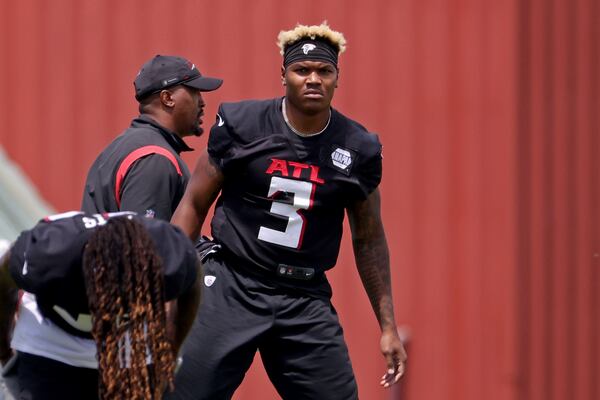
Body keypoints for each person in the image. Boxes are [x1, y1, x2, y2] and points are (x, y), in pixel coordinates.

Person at [167, 22, 407, 400]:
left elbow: (369, 238)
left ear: (337, 78)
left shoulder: (357, 148)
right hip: (235, 282)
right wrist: (170, 284)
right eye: (302, 70)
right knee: (182, 395)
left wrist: (388, 325)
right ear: (284, 75)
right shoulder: (244, 126)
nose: (313, 79)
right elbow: (193, 205)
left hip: (304, 295)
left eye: (324, 71)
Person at [0, 212, 202, 399]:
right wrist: (4, 348)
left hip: (125, 338)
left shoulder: (165, 254)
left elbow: (192, 282)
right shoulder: (47, 253)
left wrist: (169, 351)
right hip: (52, 339)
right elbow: (4, 279)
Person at [81, 54, 223, 220]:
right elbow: (143, 242)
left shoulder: (127, 145)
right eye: (194, 92)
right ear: (167, 98)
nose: (202, 102)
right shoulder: (154, 157)